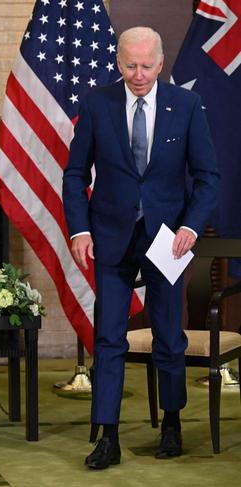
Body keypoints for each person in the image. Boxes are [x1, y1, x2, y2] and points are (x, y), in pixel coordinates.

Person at [62, 26, 219, 469]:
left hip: (168, 240)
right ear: (117, 62)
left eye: (146, 65)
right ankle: (107, 437)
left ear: (161, 62)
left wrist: (190, 226)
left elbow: (208, 178)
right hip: (110, 238)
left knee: (169, 336)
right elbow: (75, 175)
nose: (138, 73)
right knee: (109, 337)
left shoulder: (185, 106)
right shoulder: (97, 104)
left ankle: (171, 423)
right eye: (130, 65)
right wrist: (79, 231)